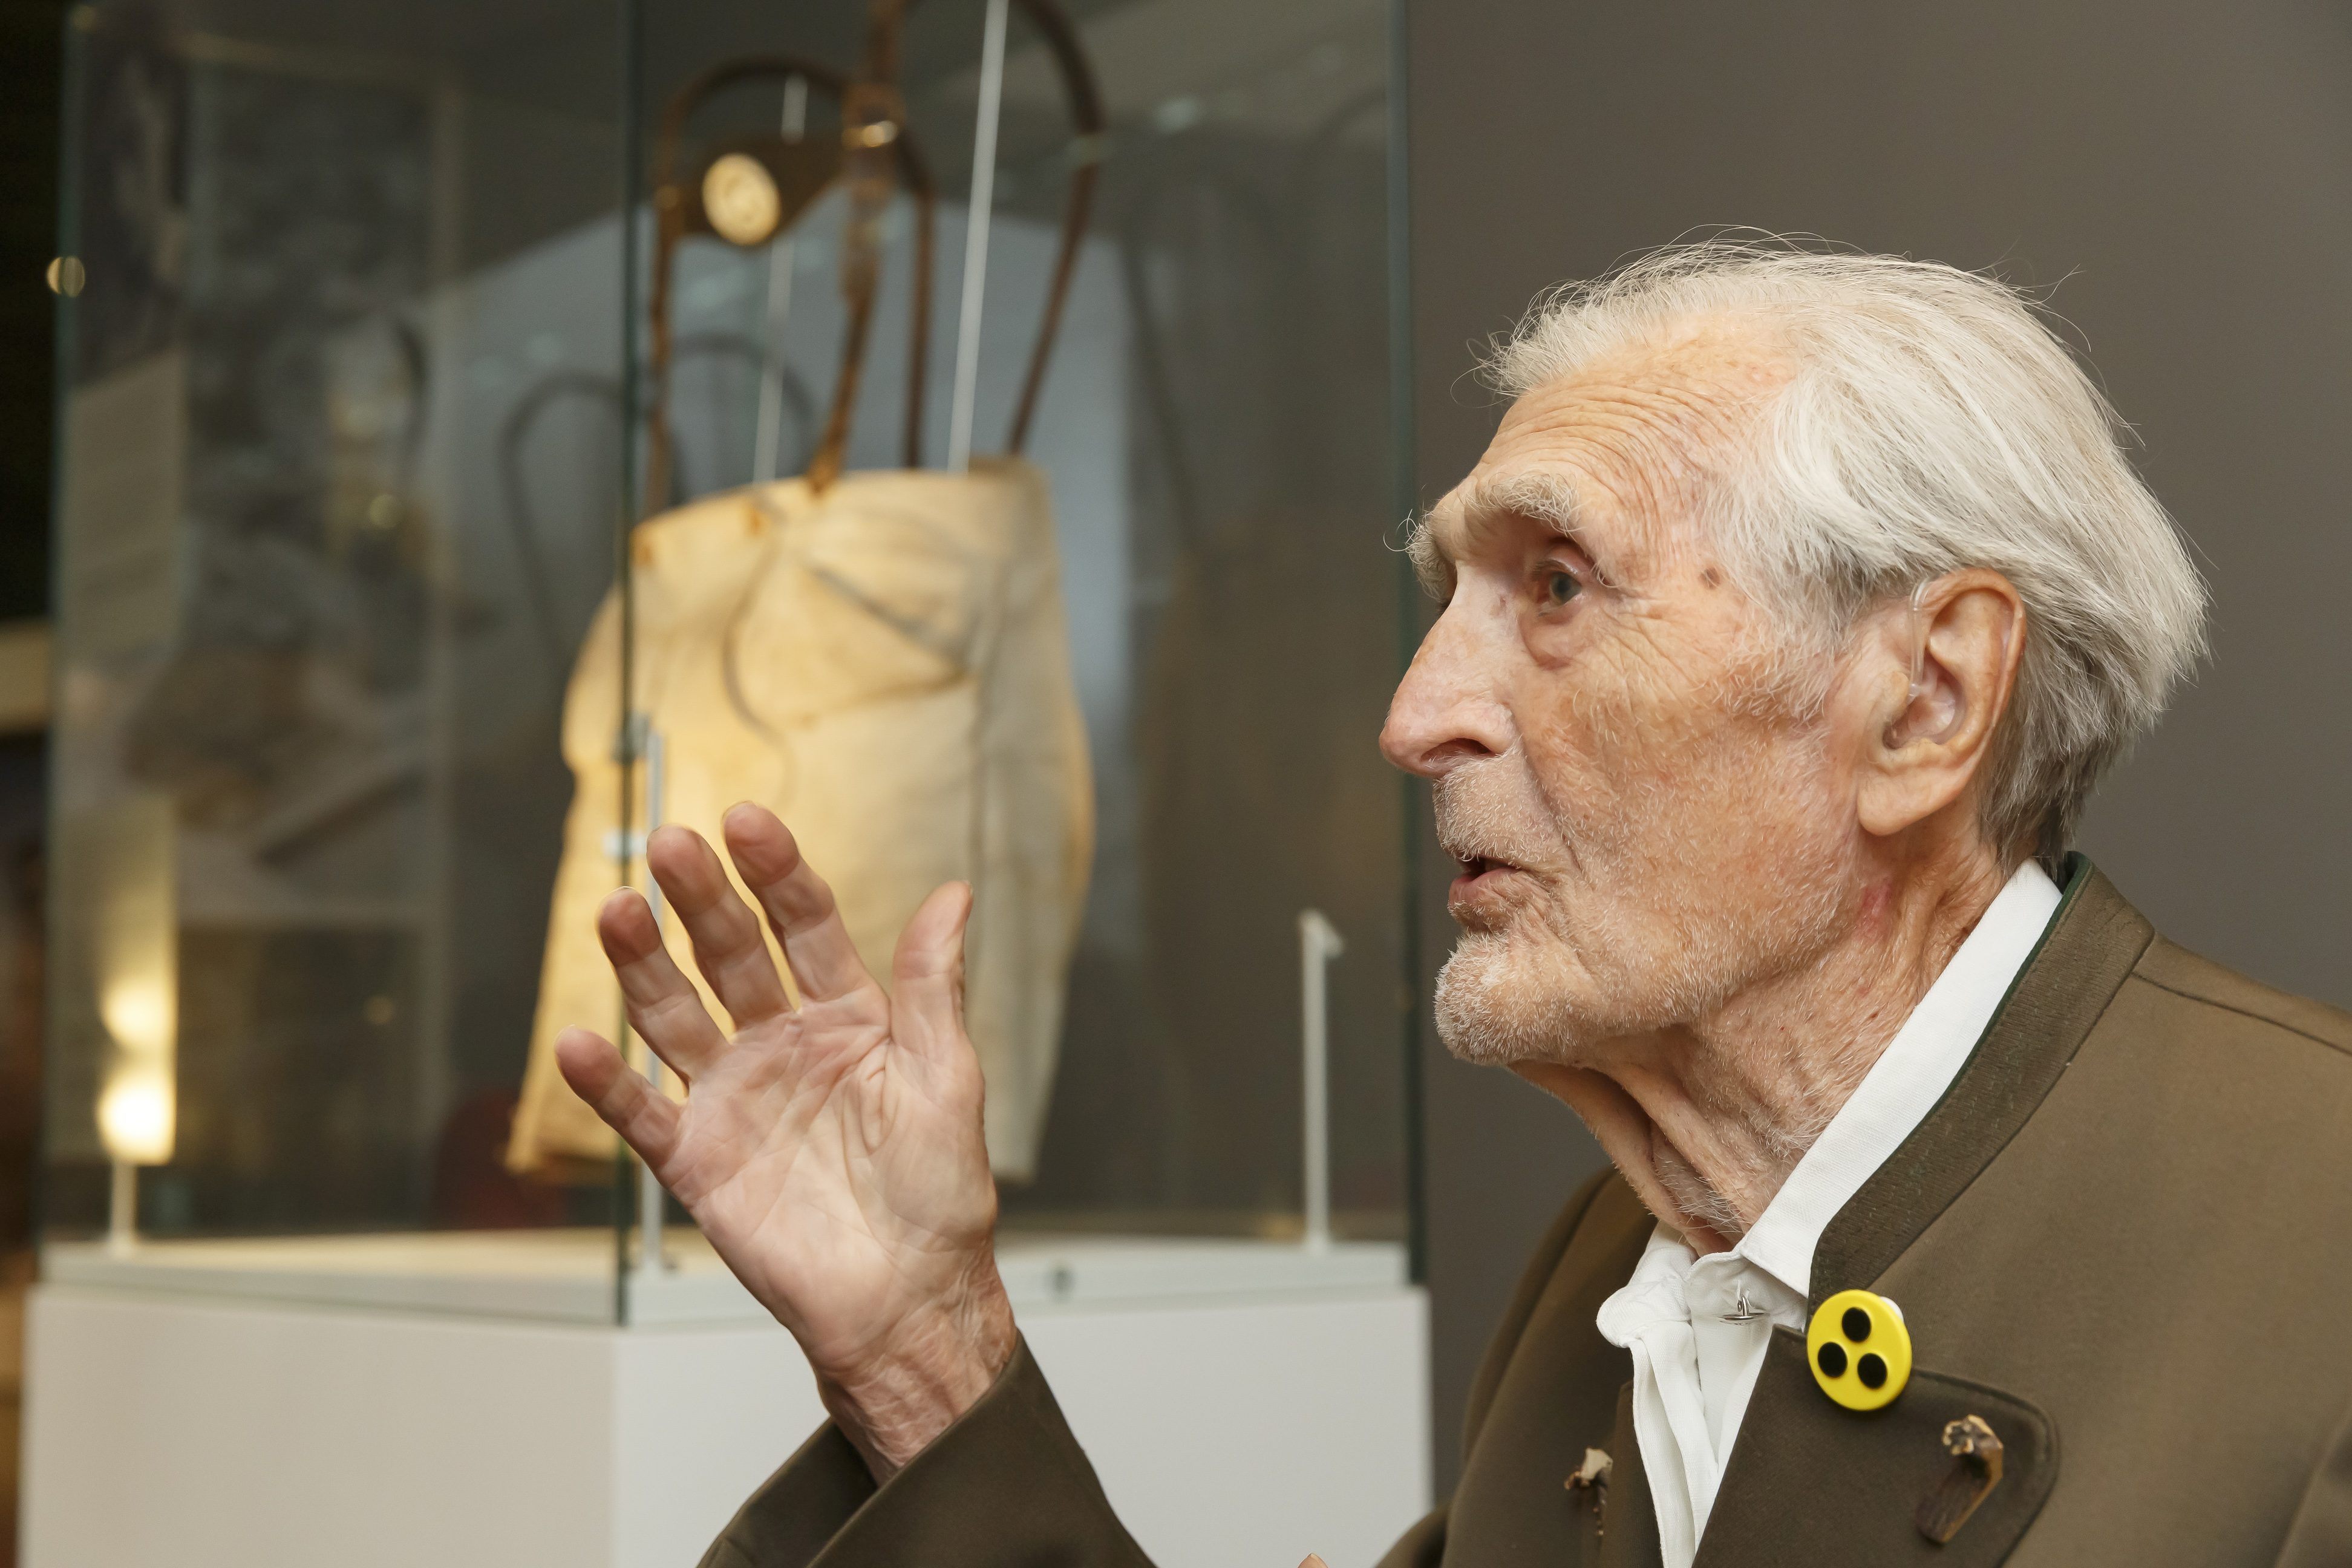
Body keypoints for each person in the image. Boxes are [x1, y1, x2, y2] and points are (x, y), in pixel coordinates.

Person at [552, 242, 2352, 1568]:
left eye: (1560, 583)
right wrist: (918, 1350)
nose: (1416, 718)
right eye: (1451, 596)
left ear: (1926, 701)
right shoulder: (1605, 1274)